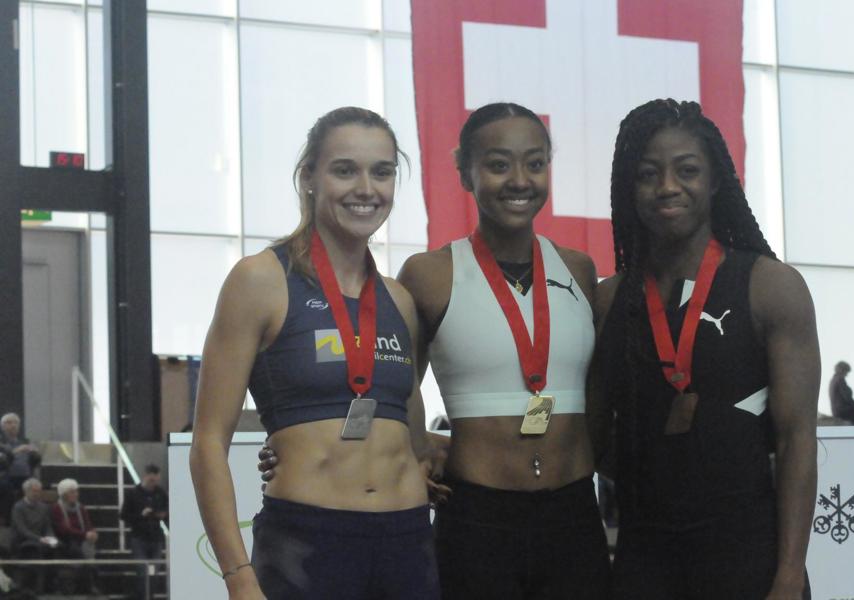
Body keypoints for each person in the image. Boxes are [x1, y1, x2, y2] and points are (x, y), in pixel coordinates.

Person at [262, 102, 610, 599]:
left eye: (535, 163)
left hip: (574, 513)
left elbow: (598, 387)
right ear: (465, 172)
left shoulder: (578, 269)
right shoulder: (429, 275)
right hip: (477, 517)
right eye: (497, 164)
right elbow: (391, 385)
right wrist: (414, 446)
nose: (519, 180)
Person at [190, 106, 438, 600]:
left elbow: (411, 436)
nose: (366, 188)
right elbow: (208, 444)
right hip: (308, 545)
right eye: (344, 170)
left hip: (407, 541)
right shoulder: (260, 280)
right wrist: (239, 577)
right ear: (309, 177)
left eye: (382, 171)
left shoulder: (399, 301)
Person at [589, 99, 819, 599]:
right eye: (648, 174)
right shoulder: (608, 300)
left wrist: (788, 573)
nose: (667, 187)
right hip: (644, 557)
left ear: (714, 181)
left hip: (747, 557)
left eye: (686, 170)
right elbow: (589, 436)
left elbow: (798, 439)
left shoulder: (770, 287)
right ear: (631, 189)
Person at [121, 464, 168, 599]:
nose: (153, 482)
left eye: (155, 479)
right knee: (142, 571)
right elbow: (124, 515)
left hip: (155, 538)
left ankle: (149, 596)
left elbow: (167, 512)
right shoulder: (133, 494)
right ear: (145, 476)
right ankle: (143, 596)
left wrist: (162, 515)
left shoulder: (161, 494)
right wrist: (141, 515)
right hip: (139, 538)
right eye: (151, 479)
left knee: (153, 572)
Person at [50, 478, 99, 594]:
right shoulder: (56, 508)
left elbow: (87, 524)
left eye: (76, 491)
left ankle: (90, 583)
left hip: (81, 540)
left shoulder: (80, 507)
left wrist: (92, 532)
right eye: (72, 492)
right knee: (78, 551)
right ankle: (89, 585)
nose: (76, 494)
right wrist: (85, 534)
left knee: (88, 547)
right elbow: (64, 530)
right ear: (64, 494)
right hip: (65, 541)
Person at [10, 478, 59, 593]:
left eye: (38, 491)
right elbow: (22, 530)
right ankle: (36, 587)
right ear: (26, 491)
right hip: (22, 542)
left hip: (40, 540)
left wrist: (50, 537)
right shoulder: (18, 507)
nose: (37, 494)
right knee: (35, 548)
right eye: (34, 491)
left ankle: (51, 584)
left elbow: (48, 527)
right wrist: (40, 539)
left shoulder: (44, 507)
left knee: (56, 546)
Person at [0, 413, 41, 523]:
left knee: (33, 487)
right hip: (5, 476)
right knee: (6, 487)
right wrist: (16, 451)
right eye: (9, 423)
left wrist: (35, 453)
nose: (13, 425)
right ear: (2, 426)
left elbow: (36, 462)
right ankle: (9, 521)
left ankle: (30, 521)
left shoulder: (25, 441)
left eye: (15, 423)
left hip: (25, 476)